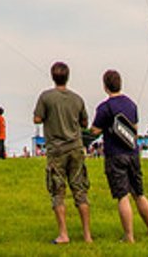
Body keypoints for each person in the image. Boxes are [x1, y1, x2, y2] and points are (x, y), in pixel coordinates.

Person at [91, 69, 148, 244]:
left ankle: (129, 236)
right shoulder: (131, 105)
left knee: (123, 196)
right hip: (133, 153)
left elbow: (95, 130)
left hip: (115, 154)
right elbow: (134, 128)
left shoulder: (104, 108)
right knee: (139, 194)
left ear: (105, 86)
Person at [34, 61, 92, 244]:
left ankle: (64, 234)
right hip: (76, 148)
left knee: (57, 192)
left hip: (56, 150)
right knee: (80, 191)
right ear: (68, 76)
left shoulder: (46, 97)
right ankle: (87, 235)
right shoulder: (77, 99)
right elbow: (84, 123)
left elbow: (37, 118)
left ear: (53, 76)